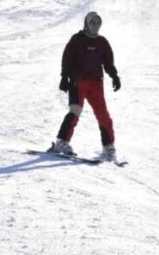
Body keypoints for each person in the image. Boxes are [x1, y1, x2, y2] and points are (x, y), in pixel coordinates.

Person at [50, 12, 121, 161]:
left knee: (103, 115)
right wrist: (64, 77)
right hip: (78, 81)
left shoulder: (102, 42)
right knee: (75, 110)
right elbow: (67, 58)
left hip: (96, 83)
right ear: (86, 24)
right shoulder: (77, 39)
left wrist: (114, 76)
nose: (95, 26)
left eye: (98, 23)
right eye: (92, 22)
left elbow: (108, 62)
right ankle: (61, 142)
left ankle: (109, 147)